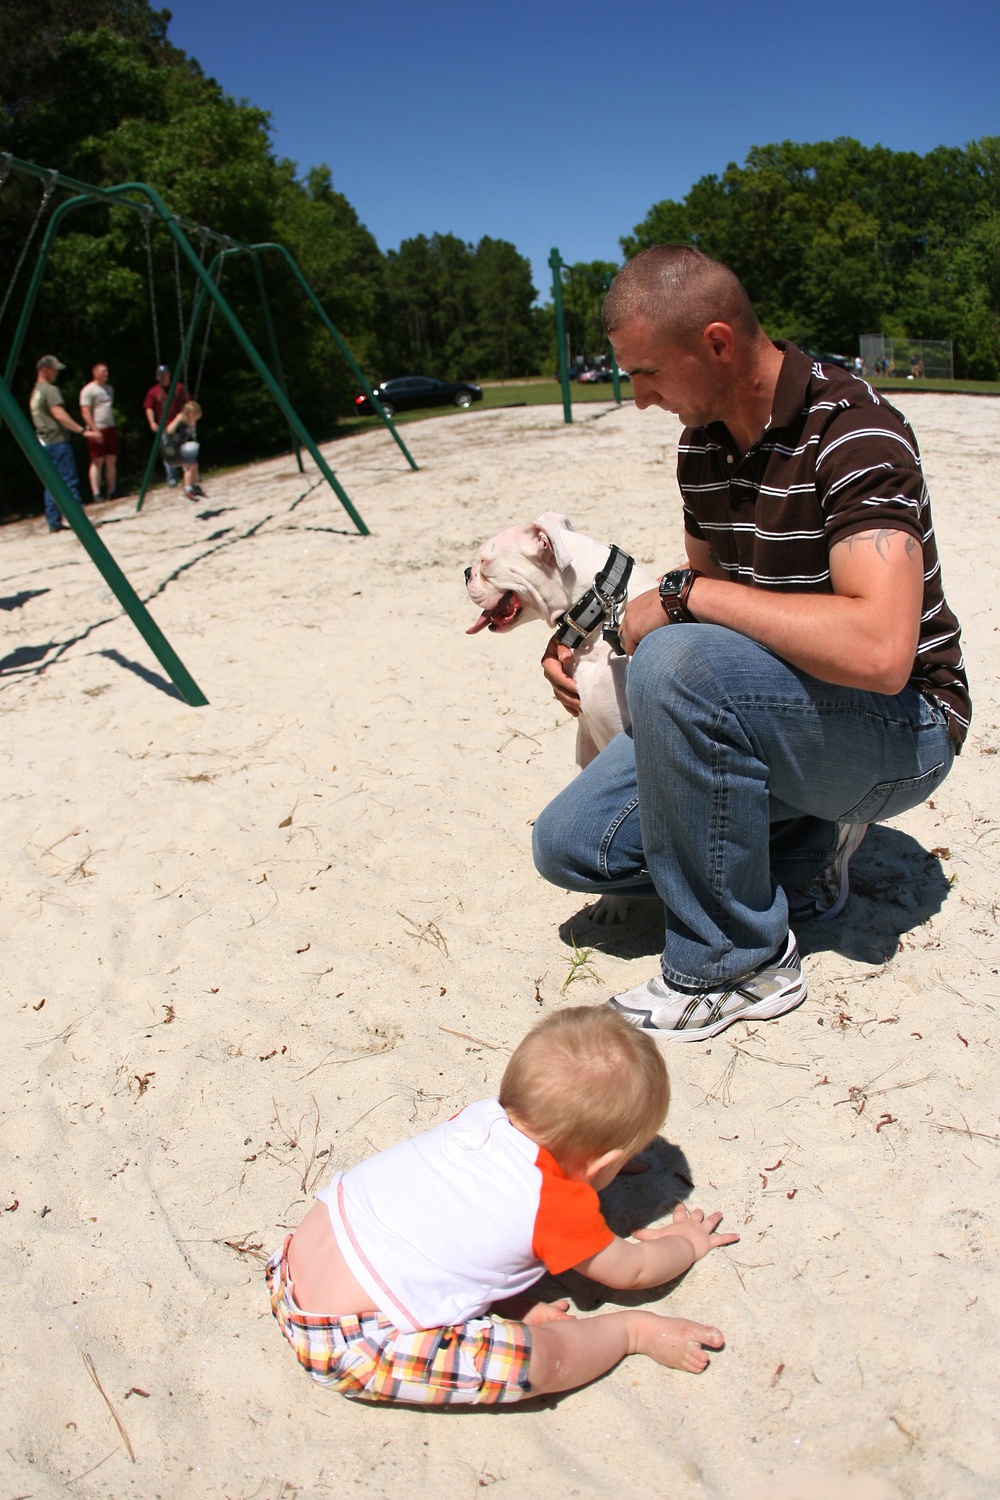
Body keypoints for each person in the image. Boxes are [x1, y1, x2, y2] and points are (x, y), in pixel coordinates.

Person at [533, 246, 971, 1041]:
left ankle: (737, 961)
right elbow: (708, 619)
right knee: (571, 846)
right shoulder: (702, 446)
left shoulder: (856, 432)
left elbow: (880, 653)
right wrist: (588, 653)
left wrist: (681, 599)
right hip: (786, 717)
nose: (637, 401)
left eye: (647, 375)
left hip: (904, 728)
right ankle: (805, 849)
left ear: (717, 343)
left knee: (676, 656)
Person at [266, 1006, 736, 1405]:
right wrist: (687, 1244)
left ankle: (501, 1297)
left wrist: (590, 1166)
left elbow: (463, 1214)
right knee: (540, 1362)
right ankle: (631, 1333)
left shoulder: (480, 1118)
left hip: (297, 1262)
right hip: (346, 1338)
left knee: (448, 1229)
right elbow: (633, 1269)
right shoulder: (555, 1203)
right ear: (603, 1163)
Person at [28, 355, 88, 532]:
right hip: (57, 440)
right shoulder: (50, 390)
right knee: (68, 479)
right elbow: (59, 414)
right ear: (44, 369)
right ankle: (79, 520)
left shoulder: (35, 392)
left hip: (44, 442)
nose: (57, 373)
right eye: (54, 369)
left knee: (51, 482)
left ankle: (53, 521)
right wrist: (81, 430)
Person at [143, 364, 190, 486]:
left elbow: (188, 404)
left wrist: (188, 418)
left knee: (183, 448)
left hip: (179, 424)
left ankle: (188, 473)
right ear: (157, 377)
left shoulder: (178, 388)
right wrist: (152, 422)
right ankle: (172, 478)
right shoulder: (153, 392)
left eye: (165, 374)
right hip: (164, 426)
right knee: (168, 451)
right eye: (160, 375)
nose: (163, 377)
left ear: (169, 375)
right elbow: (149, 408)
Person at [79, 362, 119, 501]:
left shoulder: (109, 389)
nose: (106, 374)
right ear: (95, 373)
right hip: (97, 428)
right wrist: (94, 430)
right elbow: (85, 411)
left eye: (107, 371)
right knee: (97, 461)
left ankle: (112, 489)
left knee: (111, 459)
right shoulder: (88, 390)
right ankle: (96, 492)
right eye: (103, 371)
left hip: (110, 427)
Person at [162, 400, 205, 500]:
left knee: (194, 464)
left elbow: (191, 432)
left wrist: (192, 422)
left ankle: (195, 485)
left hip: (182, 447)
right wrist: (177, 419)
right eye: (195, 417)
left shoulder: (189, 423)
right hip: (173, 449)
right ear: (190, 414)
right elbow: (169, 430)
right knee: (189, 467)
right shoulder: (180, 420)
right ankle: (188, 488)